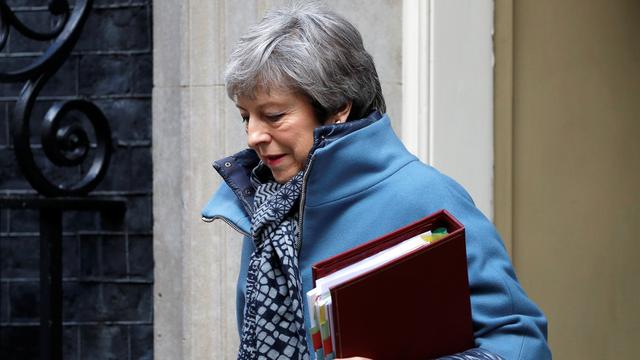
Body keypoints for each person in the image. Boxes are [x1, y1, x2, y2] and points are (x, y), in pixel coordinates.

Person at [202, 2, 551, 360]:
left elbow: (522, 345)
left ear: (338, 106)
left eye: (273, 116)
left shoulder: (427, 197)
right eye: (246, 117)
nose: (253, 136)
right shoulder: (264, 210)